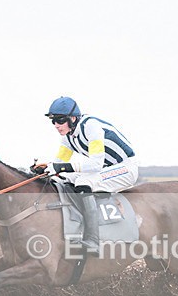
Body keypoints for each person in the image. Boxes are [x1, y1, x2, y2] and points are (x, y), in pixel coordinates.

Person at [31, 96, 138, 253]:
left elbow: (96, 164)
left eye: (60, 120)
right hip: (104, 169)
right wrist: (45, 169)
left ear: (73, 118)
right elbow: (59, 163)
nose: (56, 125)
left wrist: (60, 167)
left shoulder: (91, 126)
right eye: (53, 121)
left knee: (83, 183)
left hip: (125, 168)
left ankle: (93, 239)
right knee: (61, 179)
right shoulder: (67, 136)